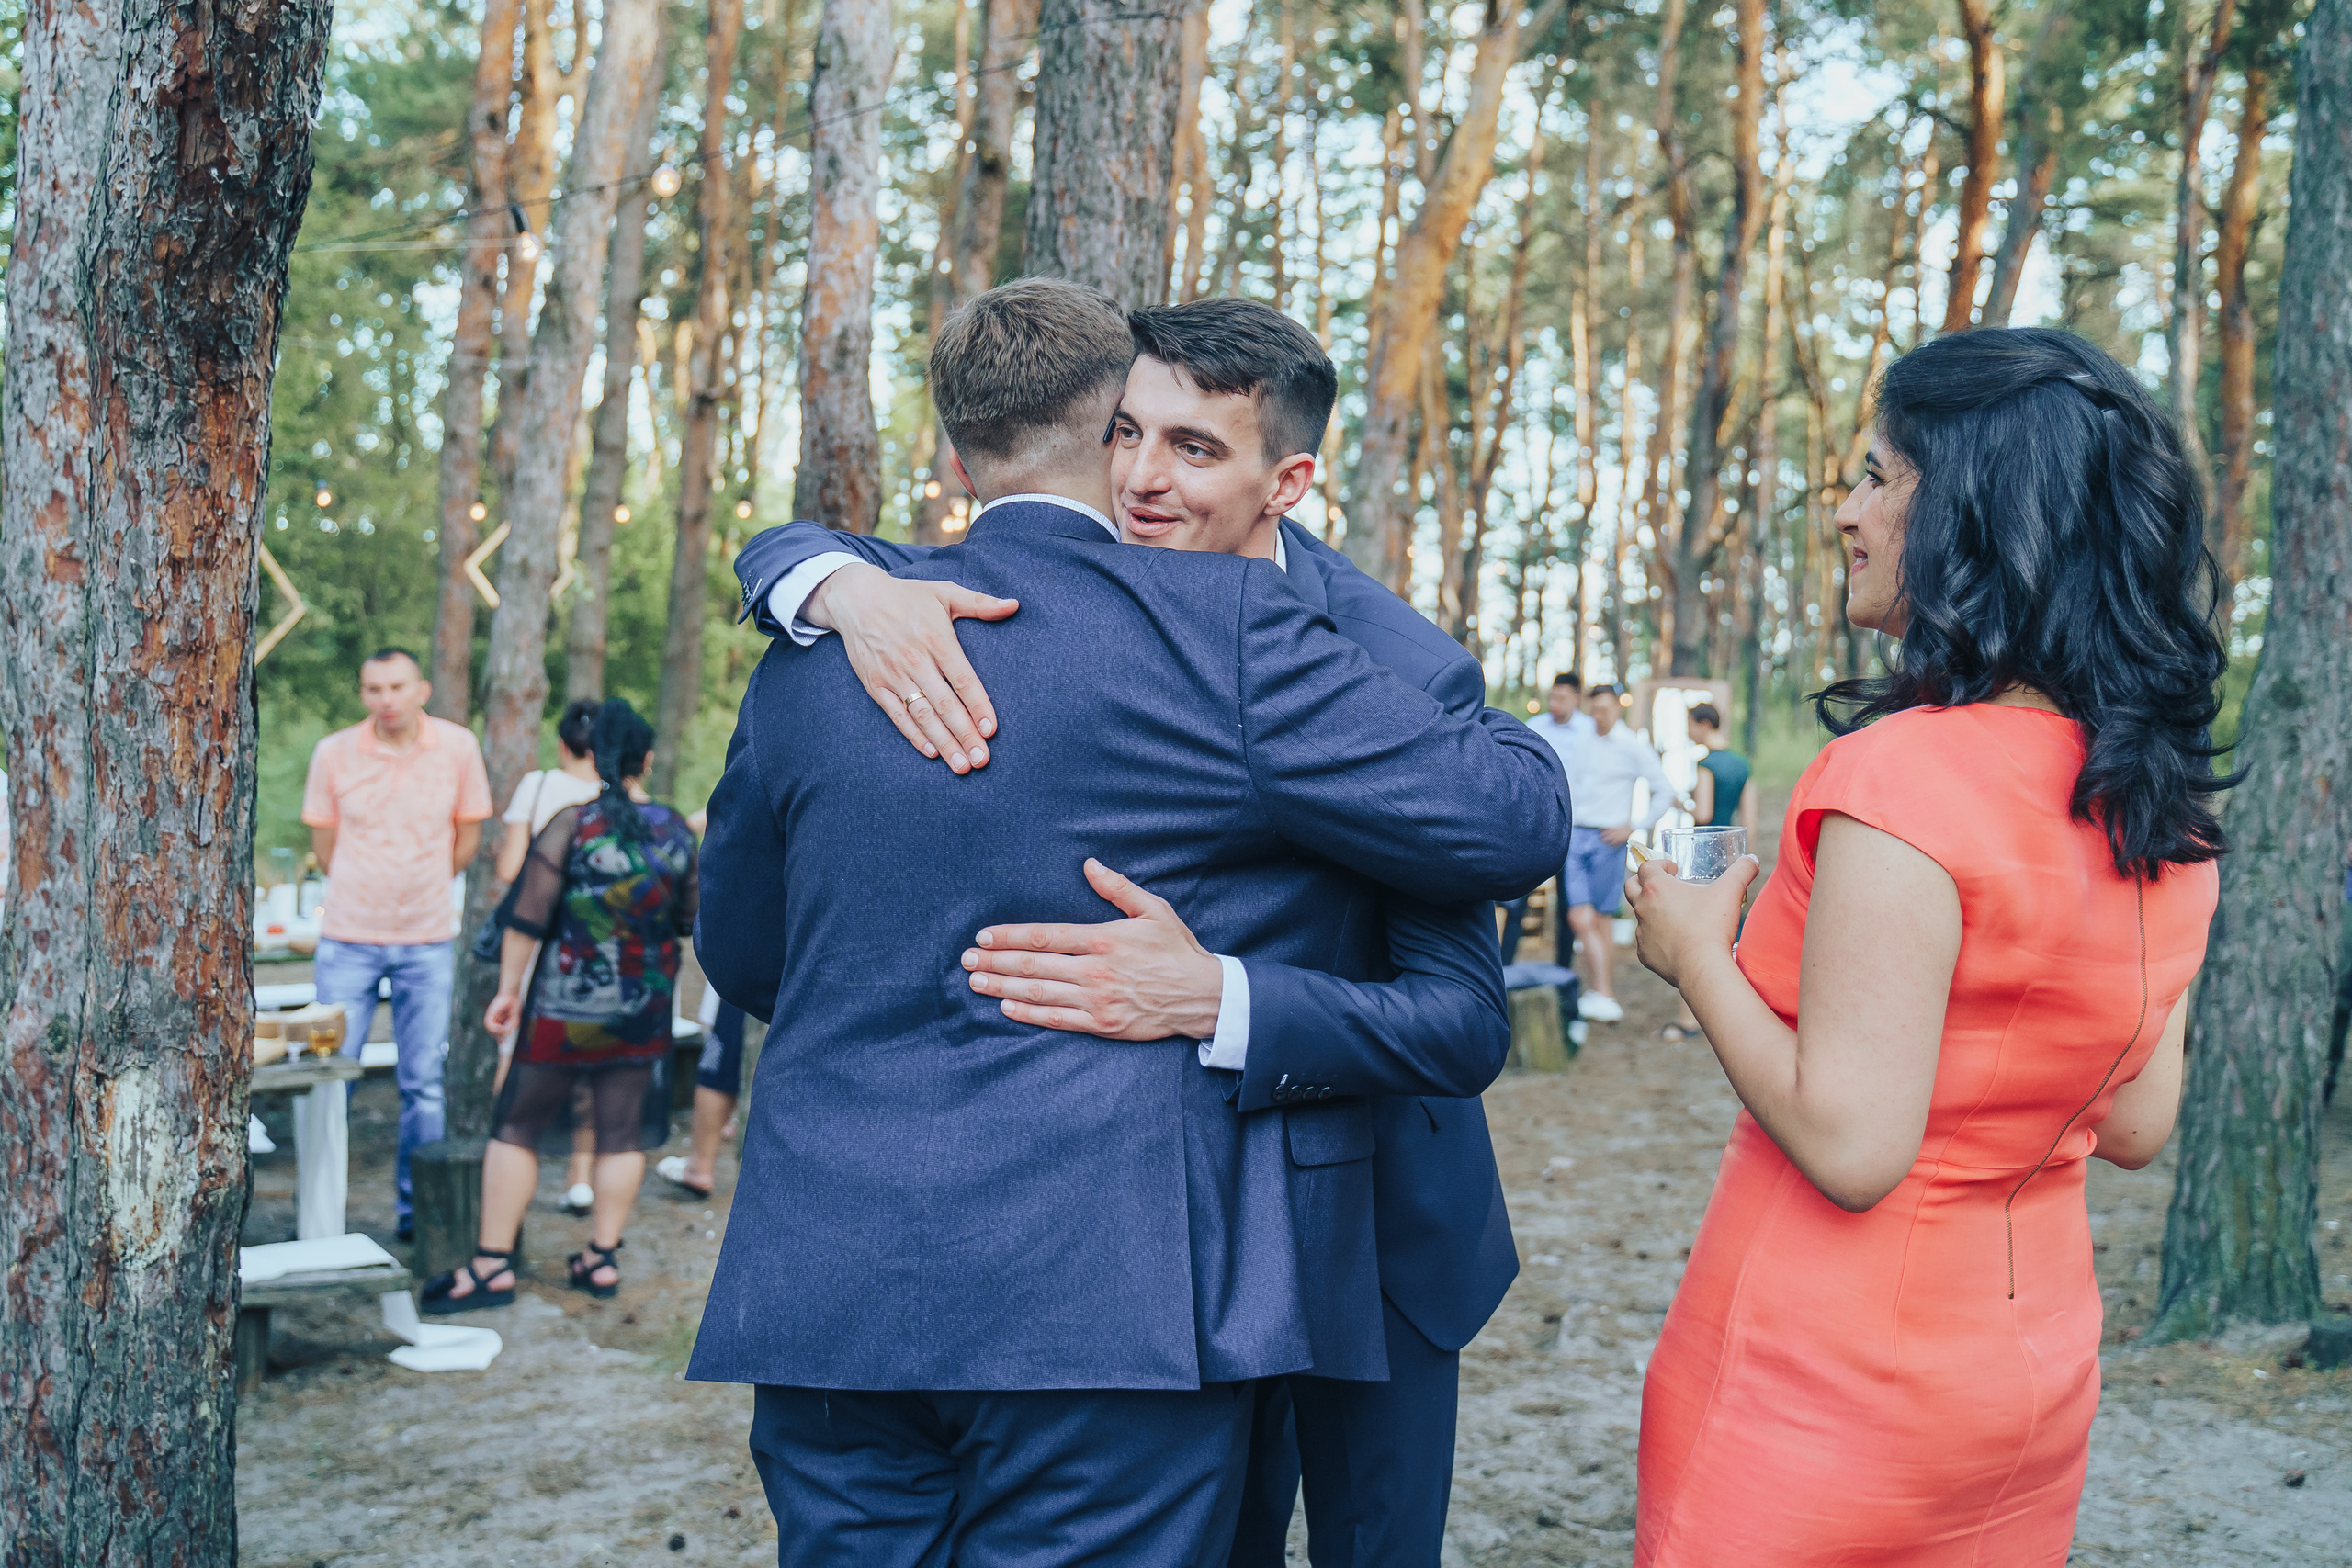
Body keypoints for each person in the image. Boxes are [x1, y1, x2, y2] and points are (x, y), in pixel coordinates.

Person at [694, 280, 1569, 1565]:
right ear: (1101, 434)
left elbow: (749, 952)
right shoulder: (866, 612)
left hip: (869, 1273)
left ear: (1286, 480)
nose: (1152, 476)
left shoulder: (819, 657)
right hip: (1111, 1281)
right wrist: (815, 573)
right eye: (1136, 436)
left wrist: (1212, 992)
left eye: (1193, 446)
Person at [1624, 326, 2226, 1564]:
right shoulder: (2159, 805)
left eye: (1878, 476)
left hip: (1817, 1381)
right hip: (2026, 1378)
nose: (1846, 511)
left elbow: (1853, 1146)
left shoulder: (1899, 776)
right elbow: (2135, 1123)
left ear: (1973, 511)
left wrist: (1695, 953)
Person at [423, 699, 697, 1311]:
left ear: (596, 757)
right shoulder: (675, 829)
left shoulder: (573, 823)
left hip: (564, 1008)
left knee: (516, 1127)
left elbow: (528, 914)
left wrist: (508, 992)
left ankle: (492, 1265)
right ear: (645, 759)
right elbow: (687, 918)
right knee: (620, 1135)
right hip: (641, 1006)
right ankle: (601, 1258)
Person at [301, 647, 492, 1241]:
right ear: (363, 694)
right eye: (373, 688)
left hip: (428, 937)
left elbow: (467, 836)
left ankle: (420, 1215)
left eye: (396, 686)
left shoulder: (458, 747)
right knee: (328, 1074)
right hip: (348, 937)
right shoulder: (334, 753)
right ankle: (320, 1216)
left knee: (424, 1083)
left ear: (422, 689)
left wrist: (425, 883)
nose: (385, 699)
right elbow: (324, 845)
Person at [493, 697, 607, 1214]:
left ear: (561, 743)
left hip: (538, 942)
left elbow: (510, 867)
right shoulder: (622, 797)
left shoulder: (538, 787)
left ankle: (511, 1161)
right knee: (592, 1066)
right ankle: (580, 1179)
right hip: (597, 951)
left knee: (515, 1056)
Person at [1562, 682, 1675, 1023]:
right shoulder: (1581, 737)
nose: (1599, 716)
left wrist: (1634, 826)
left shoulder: (1630, 745)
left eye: (1605, 710)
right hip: (1573, 835)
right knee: (1579, 918)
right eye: (1594, 709)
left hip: (1607, 839)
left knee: (1601, 920)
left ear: (1617, 709)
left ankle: (1602, 993)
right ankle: (1603, 992)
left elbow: (1664, 791)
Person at [1660, 703, 1757, 1043]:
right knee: (1733, 936)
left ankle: (1689, 1019)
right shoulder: (1742, 764)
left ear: (1704, 725)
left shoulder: (1706, 765)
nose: (1689, 733)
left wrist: (1682, 802)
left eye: (1690, 726)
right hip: (1733, 856)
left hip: (1703, 860)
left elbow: (1703, 814)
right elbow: (1750, 819)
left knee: (1699, 935)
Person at [1499, 673, 1595, 961]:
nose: (1555, 704)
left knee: (1569, 904)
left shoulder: (1590, 732)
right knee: (1518, 896)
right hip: (1535, 824)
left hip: (1574, 826)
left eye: (1562, 698)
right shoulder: (1534, 727)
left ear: (1576, 698)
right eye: (1552, 697)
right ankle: (1507, 965)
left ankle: (1564, 967)